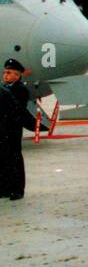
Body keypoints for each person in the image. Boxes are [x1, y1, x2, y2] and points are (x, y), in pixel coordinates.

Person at [0, 58, 36, 200]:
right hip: (3, 128)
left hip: (13, 128)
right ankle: (5, 188)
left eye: (8, 73)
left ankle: (17, 189)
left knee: (14, 158)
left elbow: (17, 109)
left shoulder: (20, 90)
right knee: (3, 158)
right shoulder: (5, 88)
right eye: (4, 73)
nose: (5, 75)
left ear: (17, 75)